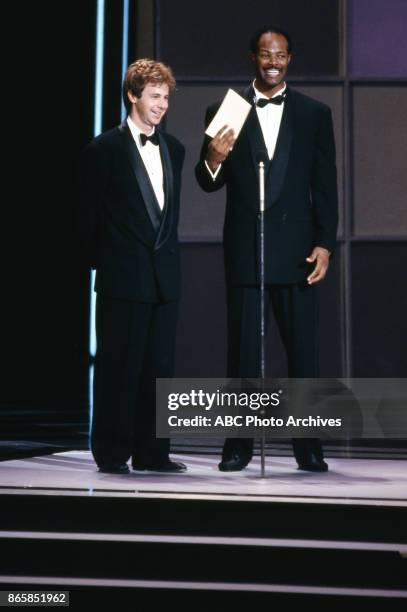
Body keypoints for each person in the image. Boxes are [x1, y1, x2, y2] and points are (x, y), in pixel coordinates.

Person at [195, 26, 338, 472]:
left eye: (279, 55)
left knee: (303, 354)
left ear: (289, 59)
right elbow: (206, 180)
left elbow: (325, 186)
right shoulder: (227, 108)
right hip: (245, 251)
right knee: (242, 355)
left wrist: (324, 244)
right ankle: (237, 444)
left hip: (297, 253)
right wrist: (214, 158)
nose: (271, 61)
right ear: (252, 58)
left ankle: (307, 446)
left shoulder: (315, 114)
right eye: (263, 54)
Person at [78, 59, 186, 474]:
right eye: (155, 96)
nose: (162, 105)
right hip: (123, 278)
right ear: (132, 95)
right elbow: (86, 219)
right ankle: (110, 451)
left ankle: (153, 452)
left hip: (164, 281)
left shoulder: (173, 149)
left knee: (160, 372)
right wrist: (104, 265)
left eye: (165, 98)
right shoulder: (102, 150)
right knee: (118, 368)